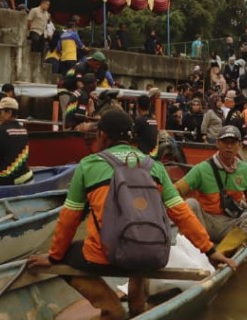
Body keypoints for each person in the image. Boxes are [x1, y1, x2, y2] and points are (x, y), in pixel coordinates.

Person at [27, 108, 230, 319]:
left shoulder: (88, 165)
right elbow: (182, 213)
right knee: (141, 239)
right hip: (154, 256)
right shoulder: (156, 167)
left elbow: (69, 220)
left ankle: (111, 308)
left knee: (64, 255)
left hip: (107, 256)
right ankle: (137, 305)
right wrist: (209, 250)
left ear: (103, 136)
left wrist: (53, 257)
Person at [176, 124, 247, 247]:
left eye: (233, 142)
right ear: (217, 144)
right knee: (190, 204)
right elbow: (175, 190)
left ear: (240, 146)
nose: (229, 146)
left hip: (231, 225)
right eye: (225, 142)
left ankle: (223, 252)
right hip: (205, 222)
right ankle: (196, 245)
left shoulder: (246, 170)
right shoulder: (202, 169)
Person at [0, 95, 33, 185]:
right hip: (27, 175)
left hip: (9, 178)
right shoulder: (24, 130)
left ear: (9, 112)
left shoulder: (1, 130)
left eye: (0, 112)